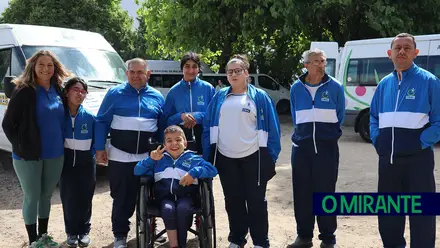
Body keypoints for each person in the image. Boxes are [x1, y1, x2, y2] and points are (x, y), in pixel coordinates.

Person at [202, 54, 281, 248]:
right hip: (226, 159)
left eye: (238, 71)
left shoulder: (259, 97)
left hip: (254, 159)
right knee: (233, 202)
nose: (234, 74)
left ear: (247, 73)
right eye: (230, 71)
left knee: (256, 203)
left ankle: (261, 242)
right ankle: (237, 239)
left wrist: (270, 157)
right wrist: (208, 156)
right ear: (226, 76)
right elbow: (207, 126)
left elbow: (273, 130)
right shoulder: (219, 96)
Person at [370, 33, 440, 248]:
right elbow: (373, 117)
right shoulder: (384, 84)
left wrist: (418, 143)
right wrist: (378, 140)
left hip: (418, 162)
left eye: (407, 48)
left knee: (422, 216)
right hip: (388, 161)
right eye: (397, 48)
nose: (402, 51)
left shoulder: (429, 81)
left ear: (415, 53)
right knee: (389, 215)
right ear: (389, 54)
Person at [2, 50, 70, 247]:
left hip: (55, 153)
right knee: (32, 196)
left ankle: (44, 236)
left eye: (50, 65)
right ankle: (33, 241)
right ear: (33, 66)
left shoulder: (58, 89)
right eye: (41, 64)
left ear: (54, 68)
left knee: (46, 196)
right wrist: (21, 147)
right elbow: (8, 124)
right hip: (28, 155)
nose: (45, 69)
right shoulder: (24, 90)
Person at [94, 58, 165, 248]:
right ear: (126, 74)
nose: (136, 76)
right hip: (120, 155)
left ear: (147, 74)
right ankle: (120, 235)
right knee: (122, 198)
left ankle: (151, 229)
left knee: (152, 195)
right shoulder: (114, 94)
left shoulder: (157, 96)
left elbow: (162, 126)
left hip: (147, 157)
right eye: (132, 72)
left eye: (140, 72)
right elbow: (101, 121)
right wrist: (99, 148)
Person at [287, 48, 345, 248]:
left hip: (326, 149)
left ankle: (328, 238)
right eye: (316, 61)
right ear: (306, 65)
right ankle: (304, 236)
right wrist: (303, 137)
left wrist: (327, 137)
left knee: (326, 192)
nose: (321, 64)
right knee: (302, 193)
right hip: (301, 149)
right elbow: (295, 117)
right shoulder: (296, 88)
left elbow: (340, 116)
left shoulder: (336, 87)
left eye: (323, 61)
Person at [134, 125, 218, 248]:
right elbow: (137, 170)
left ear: (185, 143)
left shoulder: (193, 158)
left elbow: (213, 170)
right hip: (164, 198)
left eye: (178, 140)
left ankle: (182, 245)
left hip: (187, 197)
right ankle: (174, 245)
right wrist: (151, 160)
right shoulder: (158, 159)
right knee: (168, 209)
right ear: (164, 144)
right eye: (169, 141)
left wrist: (194, 172)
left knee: (183, 208)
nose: (174, 143)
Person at [59, 77, 96, 247]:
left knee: (85, 198)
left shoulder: (89, 116)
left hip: (86, 163)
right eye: (76, 89)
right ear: (67, 92)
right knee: (69, 198)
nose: (79, 94)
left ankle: (84, 231)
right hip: (66, 163)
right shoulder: (59, 114)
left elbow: (97, 140)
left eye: (83, 91)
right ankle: (71, 231)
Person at [162, 52, 215, 154]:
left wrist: (196, 116)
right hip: (180, 137)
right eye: (187, 66)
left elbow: (214, 115)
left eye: (194, 67)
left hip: (204, 135)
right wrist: (181, 116)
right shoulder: (173, 91)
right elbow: (167, 120)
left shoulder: (208, 88)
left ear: (198, 69)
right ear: (182, 68)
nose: (191, 70)